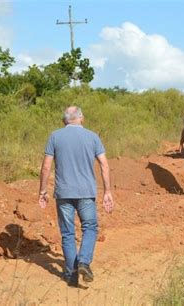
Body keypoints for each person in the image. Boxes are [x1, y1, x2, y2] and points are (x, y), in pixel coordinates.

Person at [38, 106, 114, 286]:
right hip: (86, 192)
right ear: (82, 118)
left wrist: (42, 190)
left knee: (67, 233)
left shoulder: (55, 136)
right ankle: (84, 261)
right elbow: (104, 165)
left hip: (63, 193)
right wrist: (107, 191)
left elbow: (46, 167)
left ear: (64, 120)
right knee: (89, 227)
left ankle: (71, 274)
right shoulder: (93, 136)